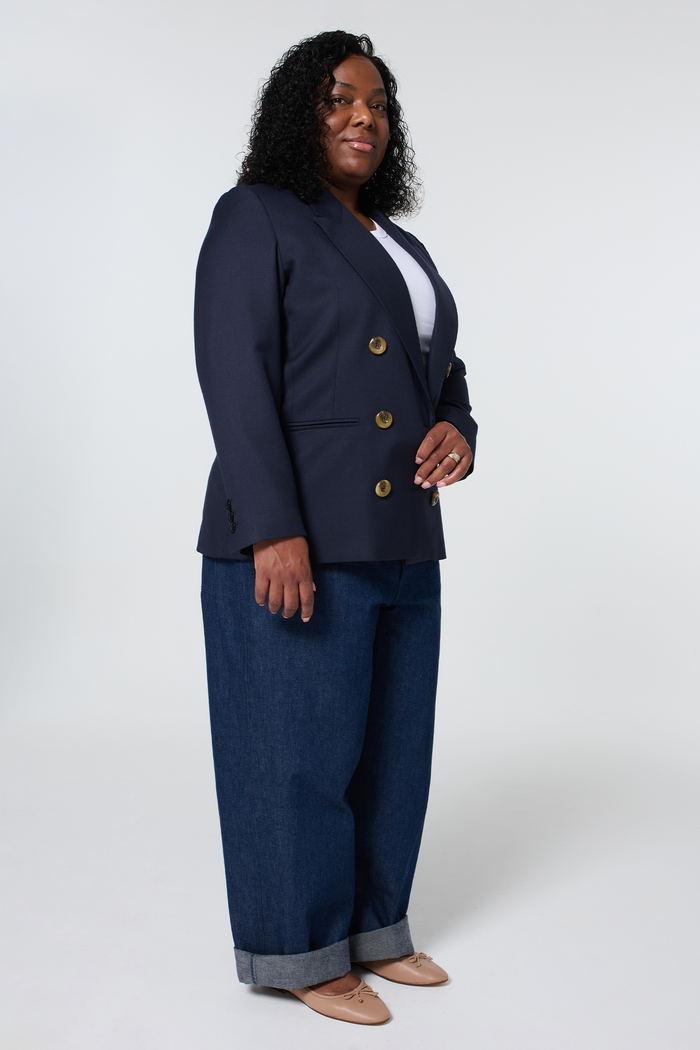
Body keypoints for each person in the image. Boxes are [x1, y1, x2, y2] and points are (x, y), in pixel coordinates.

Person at [194, 30, 477, 1026]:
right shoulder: (256, 217)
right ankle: (299, 951)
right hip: (299, 534)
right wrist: (272, 528)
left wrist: (458, 429)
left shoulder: (400, 242)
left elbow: (442, 374)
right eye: (337, 99)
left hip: (402, 535)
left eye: (378, 103)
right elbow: (235, 380)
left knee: (395, 749)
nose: (364, 116)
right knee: (297, 752)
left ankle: (373, 930)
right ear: (296, 115)